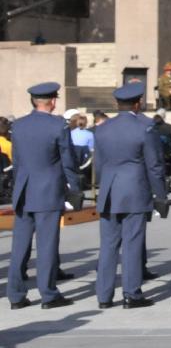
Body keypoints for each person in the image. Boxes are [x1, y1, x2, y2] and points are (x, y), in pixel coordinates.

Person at [7, 82, 81, 310]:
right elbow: (68, 161)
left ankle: (16, 295)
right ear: (53, 101)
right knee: (47, 245)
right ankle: (48, 294)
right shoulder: (58, 125)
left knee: (20, 245)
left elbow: (17, 162)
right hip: (48, 191)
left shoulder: (18, 125)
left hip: (24, 190)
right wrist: (76, 189)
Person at [94, 82, 168, 309]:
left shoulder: (102, 128)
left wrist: (101, 186)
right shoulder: (145, 128)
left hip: (109, 191)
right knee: (133, 244)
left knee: (108, 245)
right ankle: (131, 293)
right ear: (138, 104)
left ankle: (104, 296)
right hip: (135, 190)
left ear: (117, 104)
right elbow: (154, 165)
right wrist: (160, 195)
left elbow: (98, 164)